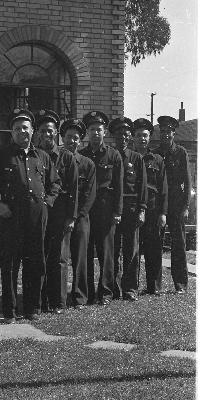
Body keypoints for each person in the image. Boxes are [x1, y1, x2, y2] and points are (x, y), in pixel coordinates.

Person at [0, 108, 61, 323]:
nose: (21, 132)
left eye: (25, 128)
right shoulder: (2, 155)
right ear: (12, 133)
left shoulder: (42, 156)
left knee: (35, 262)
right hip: (11, 216)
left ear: (32, 131)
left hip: (36, 216)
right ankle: (10, 312)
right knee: (10, 264)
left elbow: (55, 183)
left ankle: (31, 308)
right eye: (17, 128)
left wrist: (47, 202)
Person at [36, 110, 79, 314]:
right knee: (39, 255)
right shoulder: (33, 155)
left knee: (59, 258)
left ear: (56, 134)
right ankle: (40, 301)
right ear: (38, 133)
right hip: (39, 212)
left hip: (60, 212)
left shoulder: (66, 157)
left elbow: (73, 189)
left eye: (50, 131)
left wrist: (71, 217)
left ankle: (58, 302)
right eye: (43, 131)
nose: (47, 135)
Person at [78, 111, 123, 306]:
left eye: (99, 130)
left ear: (105, 132)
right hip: (87, 209)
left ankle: (105, 293)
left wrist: (117, 212)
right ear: (87, 133)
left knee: (106, 253)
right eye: (92, 130)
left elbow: (119, 186)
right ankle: (86, 293)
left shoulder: (113, 155)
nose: (96, 133)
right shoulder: (81, 155)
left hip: (106, 208)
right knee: (86, 252)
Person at [109, 117, 147, 302]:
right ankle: (114, 288)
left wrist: (142, 209)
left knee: (131, 250)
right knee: (113, 249)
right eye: (118, 134)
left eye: (125, 134)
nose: (122, 137)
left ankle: (130, 288)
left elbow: (142, 186)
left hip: (132, 208)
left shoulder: (136, 158)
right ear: (113, 136)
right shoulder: (109, 155)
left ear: (130, 136)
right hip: (114, 209)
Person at [60, 118, 96, 309]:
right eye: (68, 137)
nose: (71, 141)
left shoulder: (87, 164)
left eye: (75, 138)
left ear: (80, 141)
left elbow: (90, 193)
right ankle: (60, 298)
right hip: (62, 217)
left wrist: (76, 216)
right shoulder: (57, 159)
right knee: (61, 257)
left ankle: (80, 297)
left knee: (80, 258)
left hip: (81, 218)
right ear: (62, 138)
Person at [154, 116, 191, 294]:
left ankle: (180, 284)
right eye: (163, 132)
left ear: (173, 134)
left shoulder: (181, 152)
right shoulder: (155, 153)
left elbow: (188, 182)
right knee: (156, 244)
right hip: (160, 203)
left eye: (169, 132)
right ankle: (155, 285)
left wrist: (185, 207)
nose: (166, 135)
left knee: (178, 244)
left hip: (176, 204)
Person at [132, 118, 168, 296]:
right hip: (134, 209)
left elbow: (163, 189)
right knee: (134, 250)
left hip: (153, 210)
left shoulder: (158, 160)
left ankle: (154, 287)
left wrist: (163, 213)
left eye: (145, 135)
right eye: (138, 135)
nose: (142, 139)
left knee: (154, 249)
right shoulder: (129, 159)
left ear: (149, 138)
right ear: (133, 138)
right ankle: (133, 286)